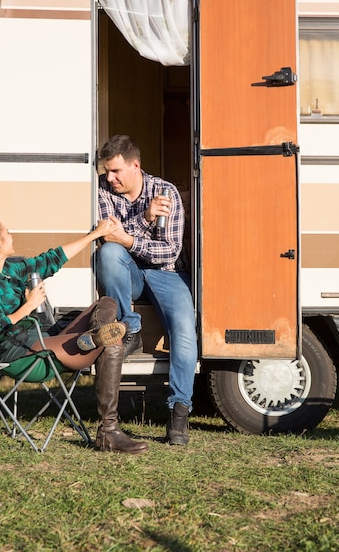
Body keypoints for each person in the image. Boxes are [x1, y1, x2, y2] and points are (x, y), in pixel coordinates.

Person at [0, 217, 148, 455]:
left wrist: (95, 235)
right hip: (18, 353)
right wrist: (28, 306)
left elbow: (52, 259)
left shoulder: (11, 269)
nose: (12, 236)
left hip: (41, 340)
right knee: (112, 345)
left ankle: (93, 337)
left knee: (106, 302)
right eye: (7, 232)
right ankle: (108, 432)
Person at [96, 134, 197, 445]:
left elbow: (169, 251)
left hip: (167, 273)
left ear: (135, 166)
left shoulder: (164, 192)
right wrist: (145, 218)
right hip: (130, 271)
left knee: (183, 330)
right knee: (108, 255)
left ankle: (179, 411)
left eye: (116, 171)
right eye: (107, 171)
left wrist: (128, 238)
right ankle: (131, 328)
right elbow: (107, 240)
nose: (109, 178)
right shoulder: (101, 189)